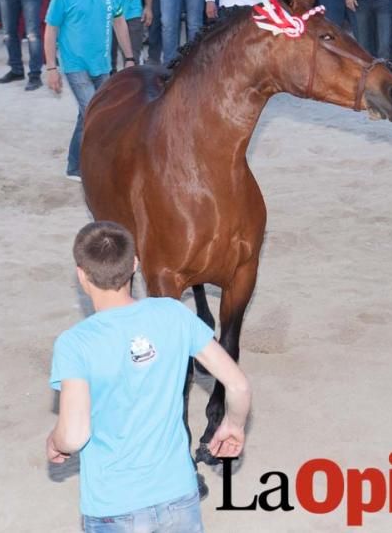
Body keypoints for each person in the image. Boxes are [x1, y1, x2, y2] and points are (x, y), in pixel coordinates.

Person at [46, 221, 251, 530]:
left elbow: (74, 435)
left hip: (114, 507)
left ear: (81, 276)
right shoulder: (173, 314)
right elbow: (237, 384)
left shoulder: (75, 344)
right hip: (179, 494)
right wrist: (232, 426)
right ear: (135, 265)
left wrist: (55, 441)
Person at [44, 0, 136, 182]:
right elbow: (51, 30)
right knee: (94, 113)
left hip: (103, 64)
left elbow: (119, 22)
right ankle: (95, 165)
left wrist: (129, 58)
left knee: (87, 114)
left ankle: (75, 165)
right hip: (75, 65)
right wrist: (52, 67)